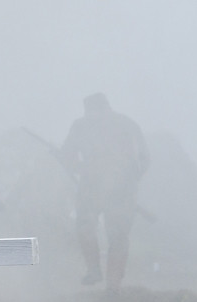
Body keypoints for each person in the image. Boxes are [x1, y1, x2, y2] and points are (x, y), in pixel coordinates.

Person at [60, 93, 150, 291]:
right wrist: (82, 169)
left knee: (115, 235)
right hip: (96, 188)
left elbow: (144, 158)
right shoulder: (81, 126)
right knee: (89, 228)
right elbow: (67, 155)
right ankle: (97, 271)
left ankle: (111, 282)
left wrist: (129, 179)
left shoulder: (125, 125)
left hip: (118, 190)